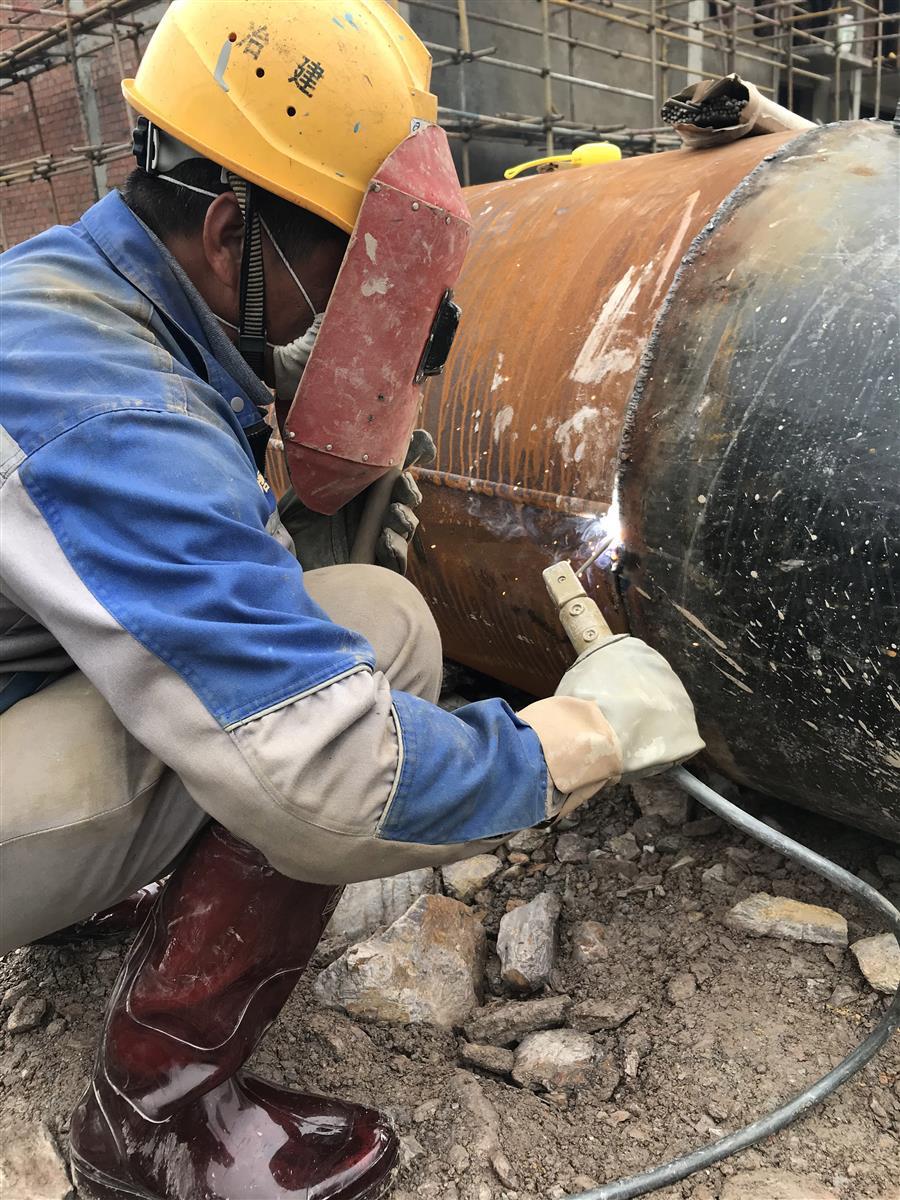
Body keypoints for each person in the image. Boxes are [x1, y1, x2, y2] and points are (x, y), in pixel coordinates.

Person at [0, 2, 703, 1196]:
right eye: (348, 263)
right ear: (231, 229)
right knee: (374, 638)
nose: (358, 307)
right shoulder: (116, 414)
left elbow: (128, 558)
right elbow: (327, 771)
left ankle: (86, 910)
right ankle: (156, 1122)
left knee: (318, 610)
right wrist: (582, 734)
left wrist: (302, 459)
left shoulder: (73, 296)